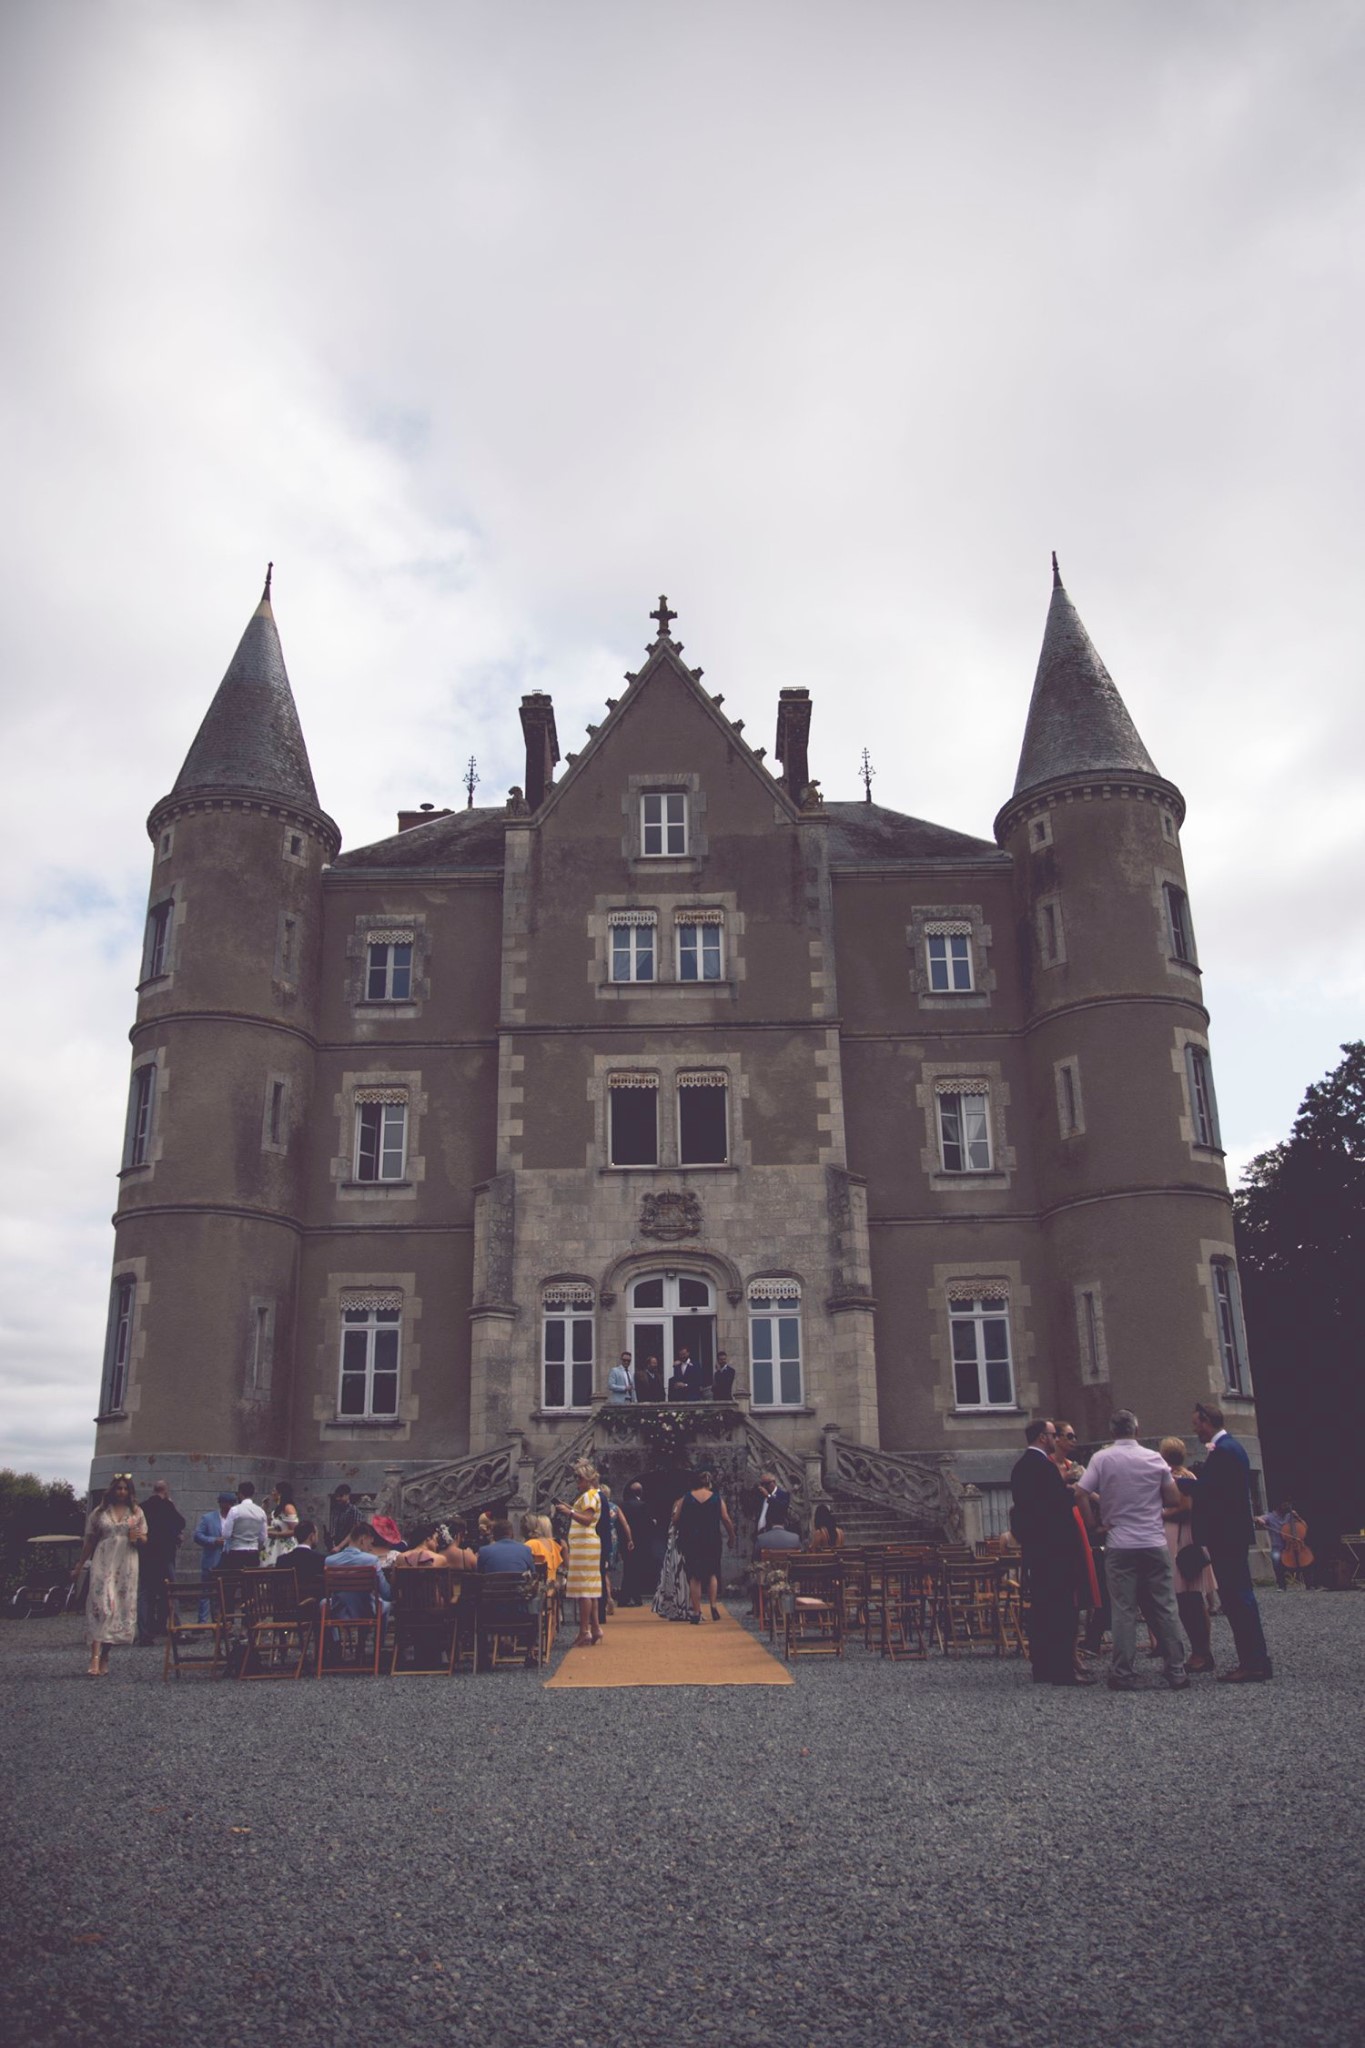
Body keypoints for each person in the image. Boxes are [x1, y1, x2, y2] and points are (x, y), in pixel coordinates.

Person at [1075, 1410, 1188, 1692]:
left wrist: (1094, 1526)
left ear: (1113, 1432)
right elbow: (1173, 1497)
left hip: (1120, 1541)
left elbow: (1080, 1492)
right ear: (1137, 1430)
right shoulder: (1153, 1458)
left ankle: (1123, 1672)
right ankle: (1176, 1670)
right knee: (1164, 1606)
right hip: (1152, 1540)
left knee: (1123, 1610)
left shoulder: (1102, 1459)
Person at [1192, 1402, 1273, 1682]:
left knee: (1237, 1599)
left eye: (1196, 1423)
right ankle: (1256, 1660)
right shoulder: (1232, 1448)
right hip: (1233, 1534)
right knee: (1240, 1598)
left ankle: (1253, 1663)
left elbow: (1210, 1492)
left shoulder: (1224, 1451)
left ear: (1206, 1422)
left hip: (1226, 1536)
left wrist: (1181, 1482)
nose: (1194, 1428)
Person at [1011, 1419, 1093, 1688]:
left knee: (1042, 1607)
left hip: (1037, 1547)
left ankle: (1043, 1665)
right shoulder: (1042, 1466)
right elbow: (1053, 1505)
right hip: (1055, 1548)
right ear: (1042, 1437)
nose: (1054, 1438)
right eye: (1050, 1434)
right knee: (1061, 1609)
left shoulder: (1021, 1466)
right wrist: (1069, 1490)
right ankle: (1061, 1669)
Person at [72, 1475, 147, 1676]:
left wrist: (139, 1537)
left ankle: (105, 1655)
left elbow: (145, 1538)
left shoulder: (136, 1511)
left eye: (125, 1489)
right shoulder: (99, 1512)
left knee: (117, 1609)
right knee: (102, 1605)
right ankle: (94, 1658)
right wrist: (80, 1565)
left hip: (127, 1562)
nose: (121, 1492)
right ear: (112, 1490)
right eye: (118, 1488)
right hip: (104, 1560)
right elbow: (89, 1540)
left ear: (129, 1491)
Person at [1158, 1437, 1216, 1671]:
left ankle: (1200, 1653)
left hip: (1180, 1540)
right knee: (1192, 1599)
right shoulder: (1190, 1475)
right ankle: (1201, 1651)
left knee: (1188, 1599)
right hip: (1188, 1538)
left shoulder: (1177, 1479)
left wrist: (1158, 1514)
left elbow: (1184, 1509)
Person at [673, 1469, 735, 1623]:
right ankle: (713, 1605)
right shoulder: (717, 1499)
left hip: (692, 1539)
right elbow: (726, 1519)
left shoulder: (685, 1498)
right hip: (712, 1538)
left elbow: (675, 1518)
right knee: (712, 1573)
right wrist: (732, 1536)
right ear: (710, 1483)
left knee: (695, 1576)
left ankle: (696, 1611)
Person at [554, 1460, 604, 1648]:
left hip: (585, 1545)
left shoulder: (589, 1495)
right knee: (589, 1589)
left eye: (579, 1479)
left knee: (584, 1590)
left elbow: (588, 1519)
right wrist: (571, 1509)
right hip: (587, 1545)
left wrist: (569, 1513)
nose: (577, 1482)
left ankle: (585, 1631)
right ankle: (595, 1628)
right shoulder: (592, 1495)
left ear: (586, 1479)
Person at [323, 1520, 392, 1617]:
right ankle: (376, 1633)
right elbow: (386, 1593)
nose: (370, 1548)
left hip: (339, 1613)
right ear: (362, 1540)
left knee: (324, 1604)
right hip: (366, 1611)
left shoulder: (329, 1561)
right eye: (370, 1543)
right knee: (386, 1605)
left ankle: (336, 1632)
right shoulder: (372, 1561)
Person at [194, 1492, 234, 1622]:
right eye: (227, 1504)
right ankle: (202, 1622)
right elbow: (197, 1535)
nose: (229, 1507)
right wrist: (213, 1540)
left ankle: (218, 1622)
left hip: (227, 1560)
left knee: (222, 1594)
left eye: (232, 1504)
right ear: (221, 1504)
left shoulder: (235, 1519)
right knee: (205, 1592)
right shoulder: (208, 1518)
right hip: (211, 1559)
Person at [651, 1496, 693, 1622]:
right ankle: (679, 1605)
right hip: (678, 1543)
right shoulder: (683, 1502)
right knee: (679, 1574)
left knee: (675, 1573)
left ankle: (677, 1605)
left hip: (676, 1542)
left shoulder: (679, 1502)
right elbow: (675, 1520)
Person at [617, 1482, 659, 1605]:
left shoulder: (622, 1506)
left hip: (625, 1541)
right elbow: (647, 1523)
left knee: (629, 1568)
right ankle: (630, 1597)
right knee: (635, 1569)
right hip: (640, 1542)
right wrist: (653, 1523)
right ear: (640, 1492)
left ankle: (630, 1597)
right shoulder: (643, 1506)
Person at [274, 1518, 326, 1605]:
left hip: (287, 1609)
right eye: (317, 1534)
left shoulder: (281, 1560)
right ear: (312, 1536)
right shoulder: (320, 1559)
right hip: (311, 1610)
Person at [220, 1482, 269, 1571]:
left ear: (240, 1493)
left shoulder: (235, 1510)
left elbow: (225, 1534)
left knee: (235, 1581)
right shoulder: (261, 1512)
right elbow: (263, 1537)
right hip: (253, 1553)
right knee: (251, 1581)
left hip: (236, 1552)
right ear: (253, 1493)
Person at [754, 1473, 792, 1554]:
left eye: (765, 1484)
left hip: (774, 1535)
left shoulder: (782, 1495)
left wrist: (768, 1496)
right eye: (762, 1484)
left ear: (773, 1483)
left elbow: (781, 1508)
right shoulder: (760, 1496)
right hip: (760, 1534)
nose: (763, 1487)